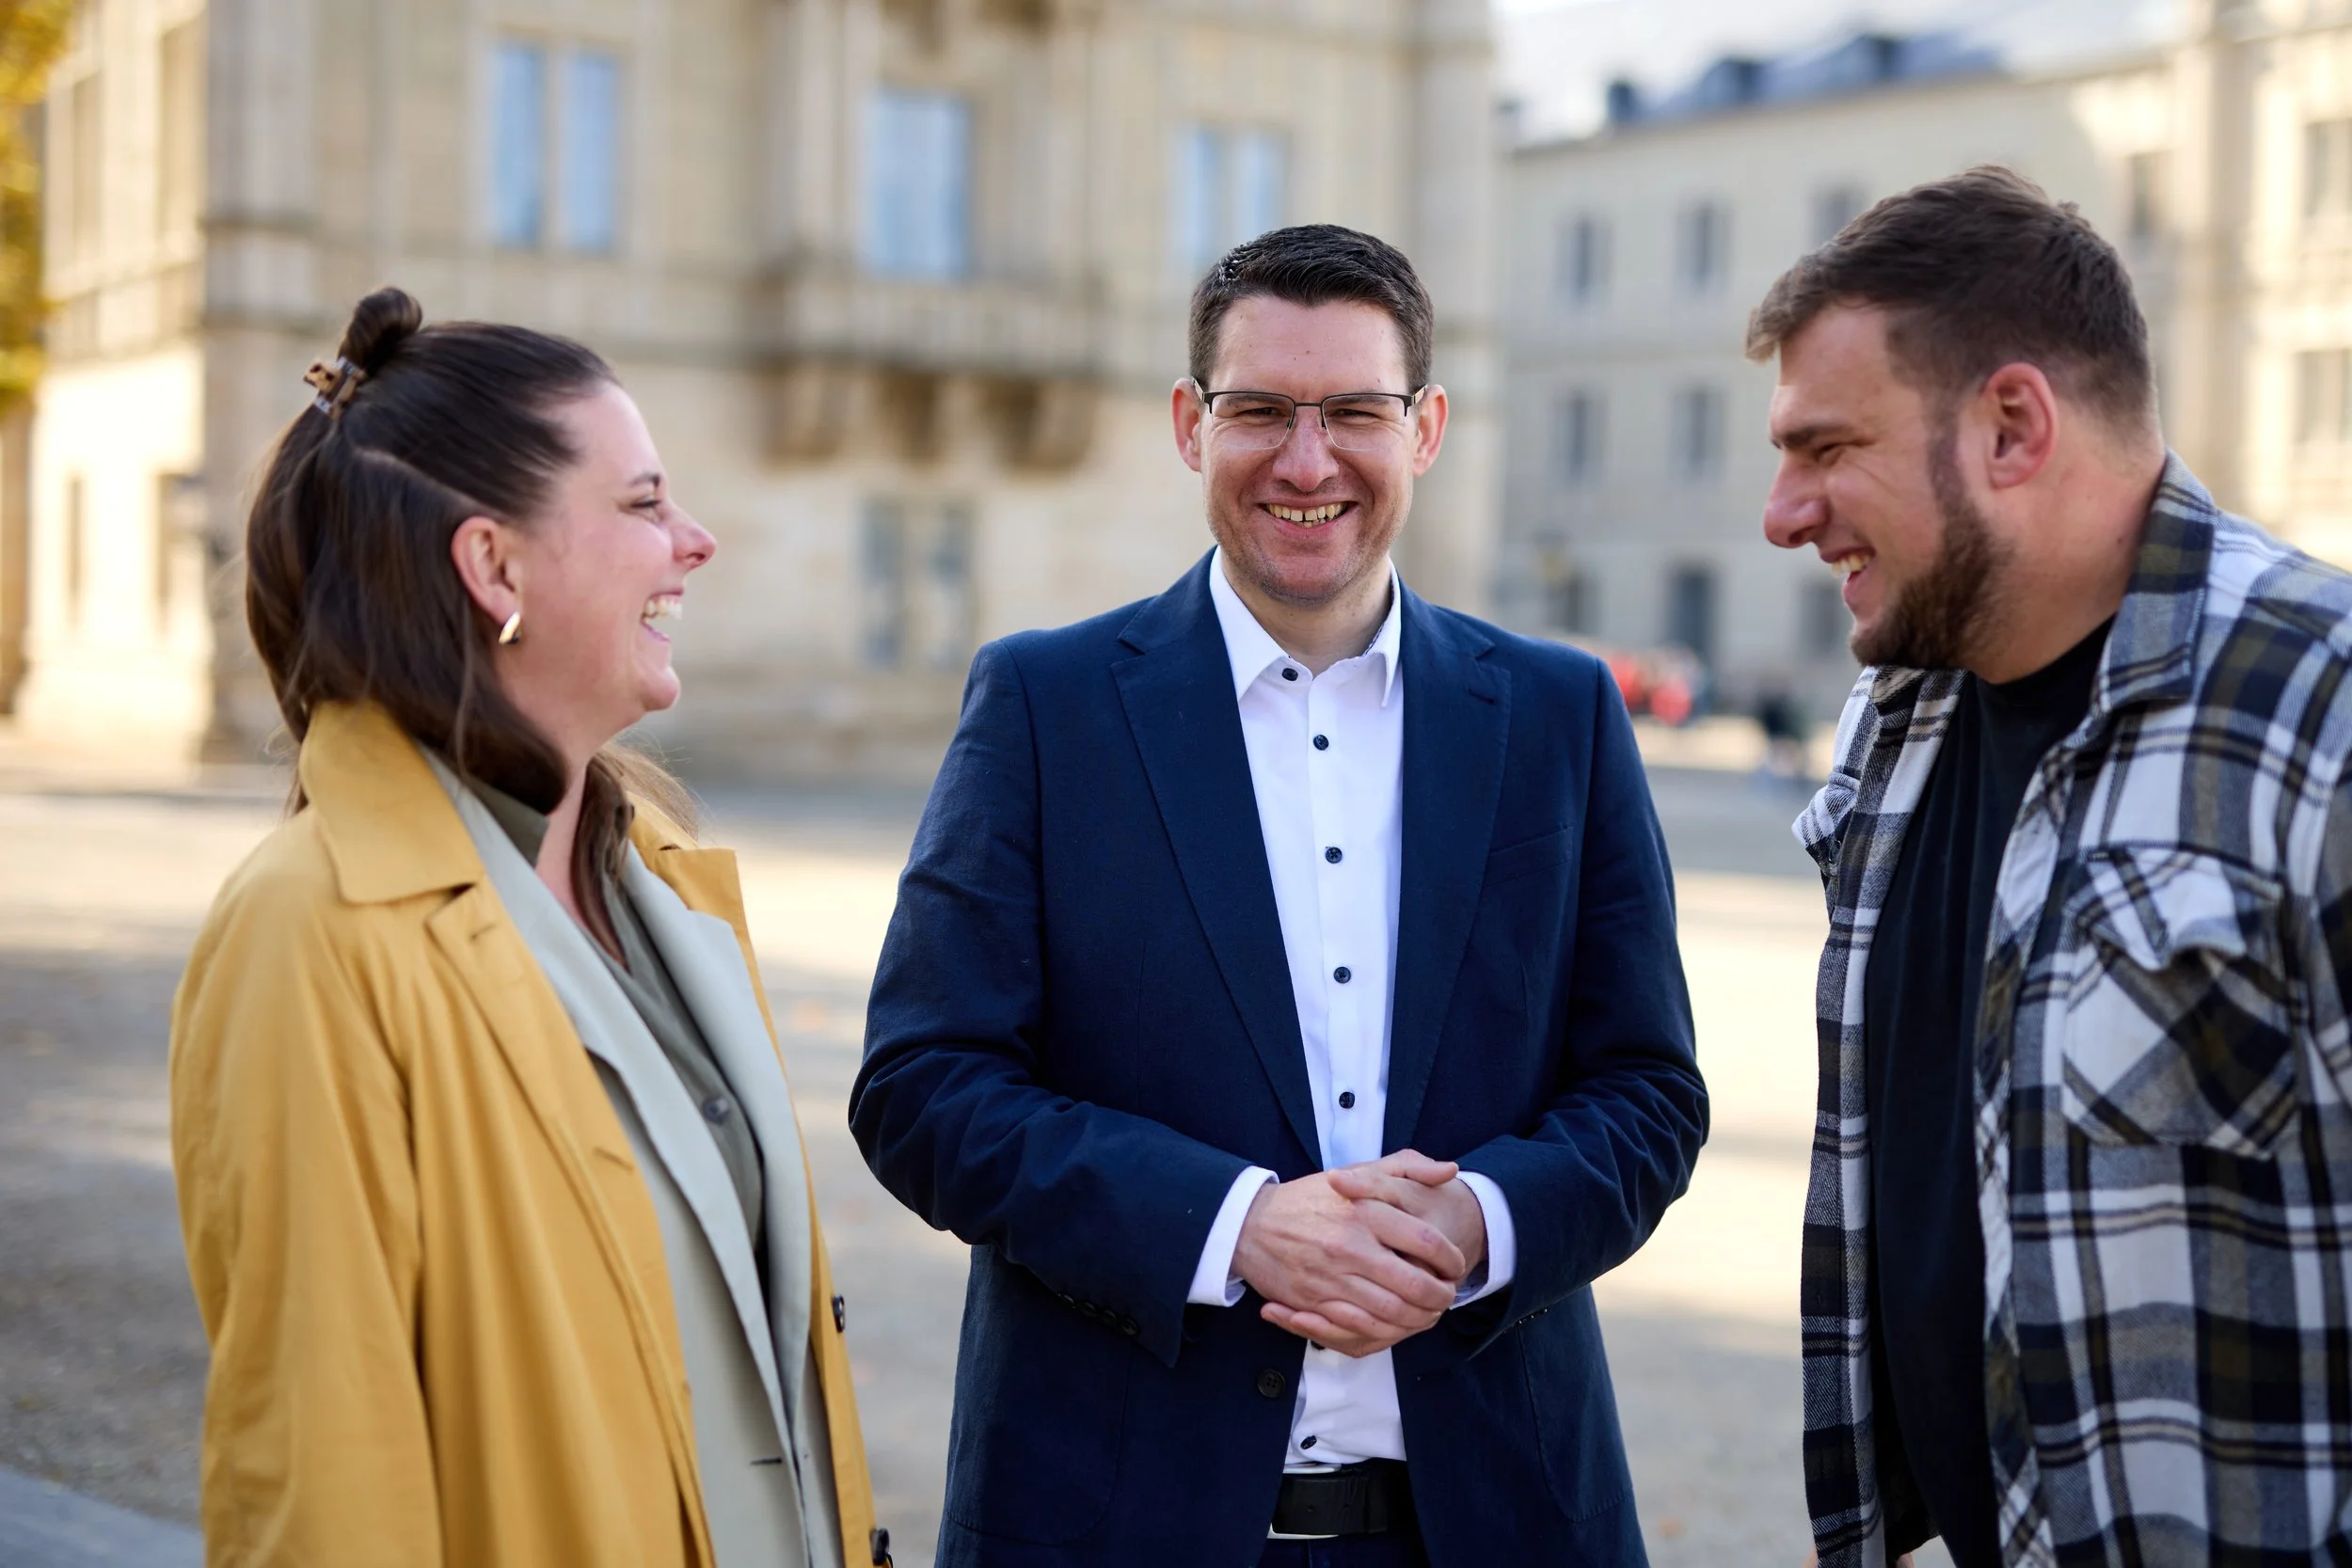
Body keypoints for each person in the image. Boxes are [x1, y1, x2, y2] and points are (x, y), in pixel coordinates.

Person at [851, 224, 1707, 1567]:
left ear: (1424, 428)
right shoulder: (1044, 705)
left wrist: (1479, 1221)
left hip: (1495, 1522)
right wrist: (1233, 1225)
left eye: (1355, 412)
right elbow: (923, 1087)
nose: (1307, 461)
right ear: (1192, 424)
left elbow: (1649, 1094)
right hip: (1109, 1524)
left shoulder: (1558, 715)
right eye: (1260, 410)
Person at [169, 288, 882, 1568]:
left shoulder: (665, 878)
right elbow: (319, 1484)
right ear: (494, 565)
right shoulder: (310, 931)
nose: (696, 541)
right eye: (643, 504)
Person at [1751, 165, 2352, 1567]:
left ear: (2012, 424)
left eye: (1827, 448)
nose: (1784, 513)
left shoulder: (2319, 710)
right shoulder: (1897, 712)